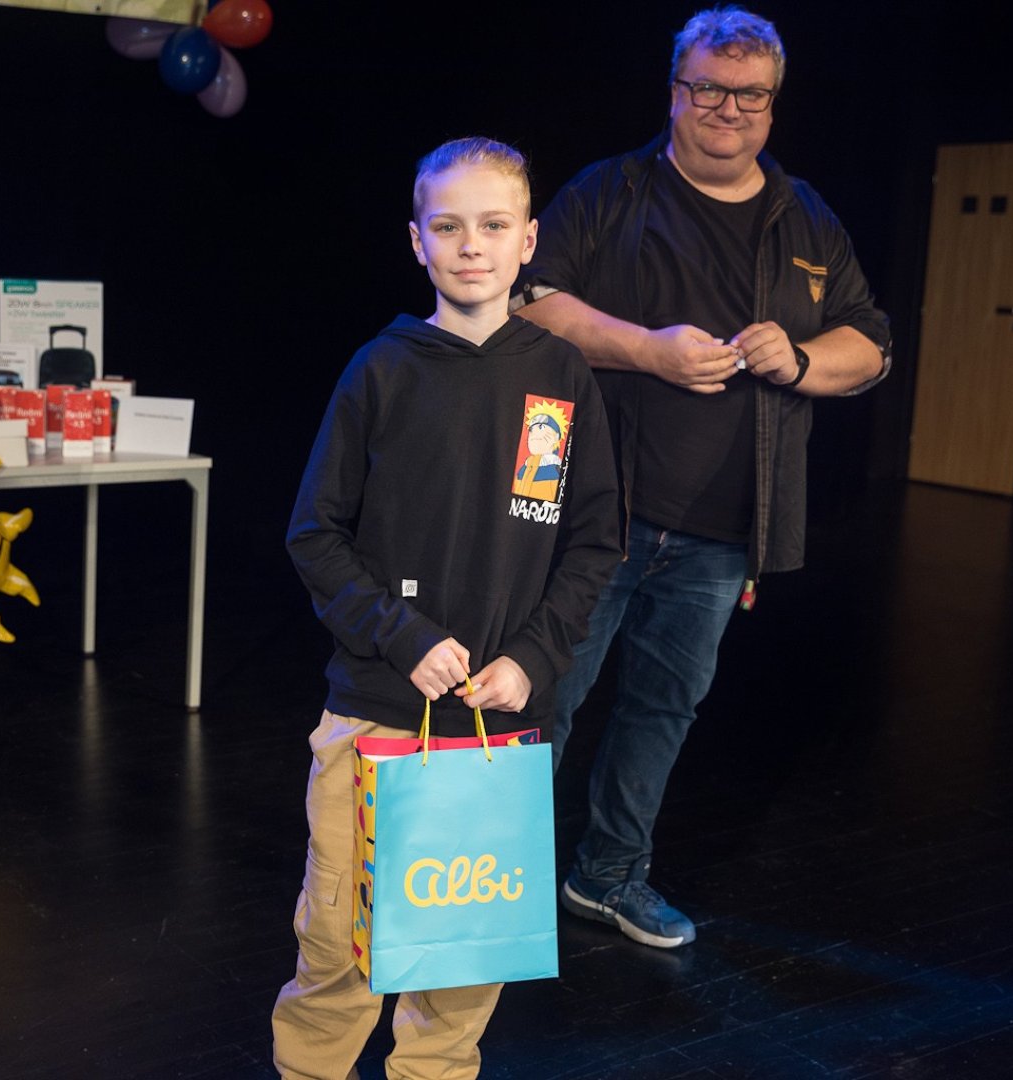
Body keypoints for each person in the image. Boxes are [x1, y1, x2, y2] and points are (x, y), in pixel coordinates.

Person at [515, 5, 892, 950]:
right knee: (543, 702)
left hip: (726, 532)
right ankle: (494, 888)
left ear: (773, 104)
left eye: (750, 95)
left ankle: (608, 877)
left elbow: (871, 345)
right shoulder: (609, 190)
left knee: (662, 709)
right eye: (710, 89)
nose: (729, 109)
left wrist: (799, 359)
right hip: (593, 516)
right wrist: (648, 348)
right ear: (675, 91)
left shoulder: (807, 216)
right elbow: (531, 303)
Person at [272, 137, 621, 1080]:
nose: (472, 245)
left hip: (497, 730)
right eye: (449, 226)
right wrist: (403, 637)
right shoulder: (381, 369)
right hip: (375, 717)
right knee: (339, 939)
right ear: (417, 241)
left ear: (528, 241)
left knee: (465, 956)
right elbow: (314, 533)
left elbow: (595, 542)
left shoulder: (563, 376)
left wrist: (534, 659)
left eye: (494, 225)